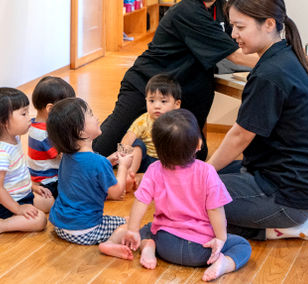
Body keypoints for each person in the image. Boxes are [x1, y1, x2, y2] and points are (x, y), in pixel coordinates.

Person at [93, 0, 258, 160]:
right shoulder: (188, 11)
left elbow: (239, 42)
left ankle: (141, 158)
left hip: (182, 91)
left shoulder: (221, 8)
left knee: (196, 154)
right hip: (147, 84)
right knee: (104, 149)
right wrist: (276, 60)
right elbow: (235, 55)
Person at [208, 0, 308, 241]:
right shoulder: (284, 57)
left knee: (191, 194)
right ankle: (277, 225)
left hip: (285, 198)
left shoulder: (270, 73)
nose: (233, 35)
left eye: (241, 27)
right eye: (232, 27)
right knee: (190, 182)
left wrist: (204, 172)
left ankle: (276, 229)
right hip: (283, 185)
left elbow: (240, 136)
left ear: (269, 24)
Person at [98, 109, 251, 282]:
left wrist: (133, 230)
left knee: (147, 230)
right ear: (199, 145)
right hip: (202, 251)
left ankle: (148, 246)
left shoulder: (154, 170)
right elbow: (215, 209)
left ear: (157, 148)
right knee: (242, 245)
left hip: (165, 245)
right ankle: (224, 264)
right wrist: (220, 238)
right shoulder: (207, 171)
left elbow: (140, 202)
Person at [46, 97, 129, 245]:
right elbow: (116, 193)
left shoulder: (66, 156)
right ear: (81, 132)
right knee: (129, 225)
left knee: (125, 221)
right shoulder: (98, 162)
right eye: (90, 114)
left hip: (60, 225)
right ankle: (109, 244)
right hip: (85, 229)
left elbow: (85, 171)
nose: (96, 117)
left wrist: (108, 161)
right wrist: (123, 167)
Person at [0, 88, 47, 241]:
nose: (29, 117)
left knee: (49, 200)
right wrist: (17, 209)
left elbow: (19, 173)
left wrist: (32, 186)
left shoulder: (14, 139)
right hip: (1, 206)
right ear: (4, 122)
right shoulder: (0, 153)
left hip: (21, 196)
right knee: (40, 220)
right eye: (23, 114)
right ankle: (0, 224)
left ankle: (18, 215)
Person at [121, 74, 181, 190]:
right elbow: (128, 138)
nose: (157, 106)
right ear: (146, 101)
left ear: (176, 104)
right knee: (138, 144)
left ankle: (144, 177)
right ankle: (129, 175)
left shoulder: (178, 122)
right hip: (145, 160)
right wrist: (122, 158)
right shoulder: (143, 120)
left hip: (166, 163)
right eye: (152, 101)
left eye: (163, 101)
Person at [28, 76, 76, 213]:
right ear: (50, 109)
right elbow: (66, 155)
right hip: (49, 182)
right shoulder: (46, 134)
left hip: (40, 178)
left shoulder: (34, 125)